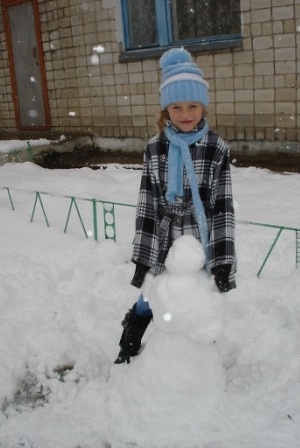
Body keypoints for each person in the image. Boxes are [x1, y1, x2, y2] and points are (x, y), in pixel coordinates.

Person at [114, 47, 236, 364]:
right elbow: (148, 202)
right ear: (166, 108)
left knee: (198, 292)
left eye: (193, 105)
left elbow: (222, 205)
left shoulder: (215, 147)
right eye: (177, 106)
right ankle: (133, 331)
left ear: (203, 106)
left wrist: (222, 259)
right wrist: (144, 258)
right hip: (165, 233)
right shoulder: (154, 148)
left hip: (201, 234)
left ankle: (198, 356)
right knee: (155, 289)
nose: (185, 114)